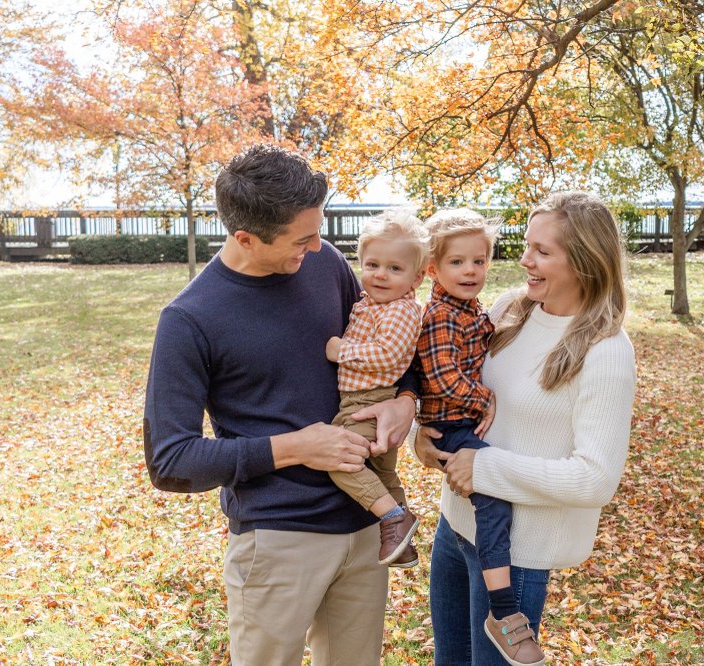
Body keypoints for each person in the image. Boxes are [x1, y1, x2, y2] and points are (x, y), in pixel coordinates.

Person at [143, 145, 418, 666]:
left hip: (368, 525)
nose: (317, 247)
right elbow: (171, 460)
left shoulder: (325, 263)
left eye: (318, 231)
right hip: (278, 541)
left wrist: (406, 398)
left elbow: (384, 342)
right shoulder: (189, 319)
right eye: (301, 239)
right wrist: (295, 448)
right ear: (246, 237)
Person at [414, 191, 636, 666]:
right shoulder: (509, 310)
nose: (524, 260)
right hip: (455, 527)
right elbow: (444, 371)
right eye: (526, 245)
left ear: (583, 261)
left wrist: (484, 468)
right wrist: (425, 430)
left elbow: (595, 480)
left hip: (517, 555)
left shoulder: (606, 350)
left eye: (542, 251)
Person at [415, 208, 545, 666]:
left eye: (479, 260)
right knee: (493, 503)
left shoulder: (471, 310)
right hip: (454, 425)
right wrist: (484, 397)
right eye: (457, 262)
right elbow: (442, 377)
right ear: (432, 269)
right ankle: (504, 609)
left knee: (491, 501)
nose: (471, 270)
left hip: (460, 424)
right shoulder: (440, 316)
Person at [325, 210, 428, 567]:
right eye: (372, 265)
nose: (381, 274)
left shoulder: (401, 310)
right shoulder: (370, 303)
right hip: (364, 398)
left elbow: (388, 354)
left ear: (417, 277)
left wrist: (341, 351)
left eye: (395, 268)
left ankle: (394, 518)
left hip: (370, 401)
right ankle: (402, 545)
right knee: (383, 472)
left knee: (341, 461)